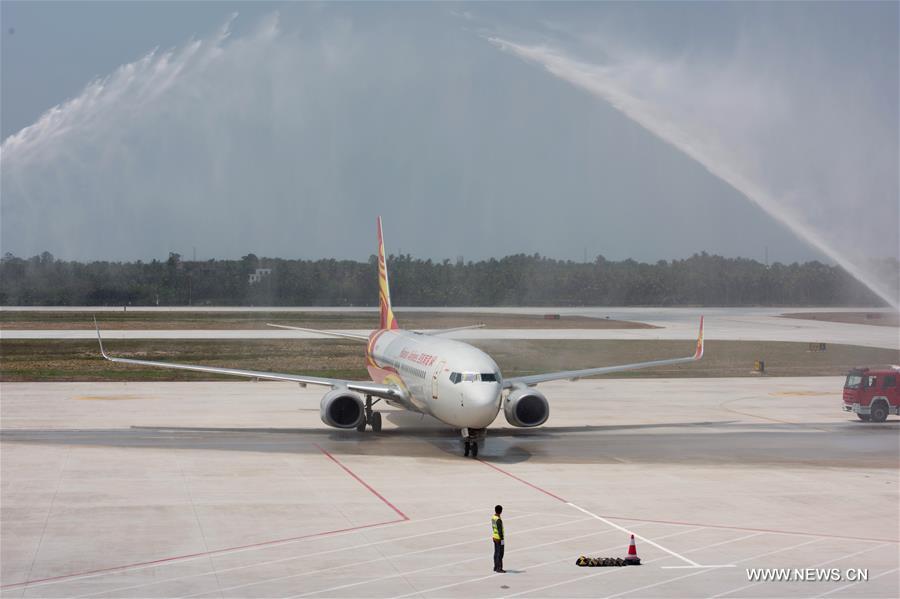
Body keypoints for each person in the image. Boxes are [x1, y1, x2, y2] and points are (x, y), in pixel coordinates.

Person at [491, 504, 505, 573]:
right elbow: (500, 530)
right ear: (501, 511)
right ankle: (499, 568)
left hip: (494, 537)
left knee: (496, 552)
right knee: (500, 553)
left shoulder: (493, 517)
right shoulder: (498, 520)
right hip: (499, 539)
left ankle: (495, 566)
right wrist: (502, 539)